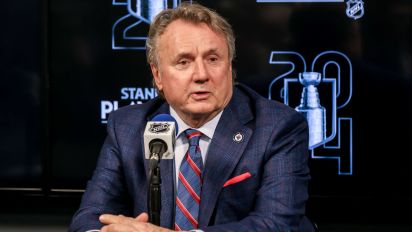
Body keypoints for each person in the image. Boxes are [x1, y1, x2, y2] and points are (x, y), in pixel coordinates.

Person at [69, 3, 313, 232]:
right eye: (183, 62)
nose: (201, 75)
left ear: (230, 66)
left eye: (213, 59)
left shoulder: (277, 127)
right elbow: (88, 218)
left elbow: (276, 224)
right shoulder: (127, 127)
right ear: (158, 76)